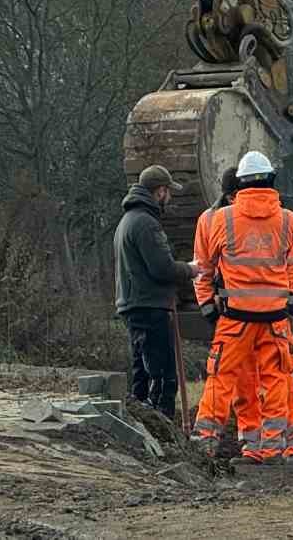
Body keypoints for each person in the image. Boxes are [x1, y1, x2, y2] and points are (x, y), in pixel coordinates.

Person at [193, 149, 293, 464]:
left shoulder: (220, 219)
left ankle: (204, 445)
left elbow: (203, 268)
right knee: (277, 379)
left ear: (238, 185)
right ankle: (274, 449)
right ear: (271, 180)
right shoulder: (287, 219)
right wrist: (292, 303)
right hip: (276, 318)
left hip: (235, 318)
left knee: (221, 379)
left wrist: (207, 308)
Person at [114, 164, 200, 418]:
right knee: (162, 377)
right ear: (160, 191)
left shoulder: (127, 221)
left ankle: (143, 424)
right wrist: (191, 269)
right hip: (149, 307)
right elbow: (162, 268)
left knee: (142, 373)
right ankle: (163, 428)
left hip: (134, 305)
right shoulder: (146, 224)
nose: (170, 197)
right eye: (168, 192)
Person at [190, 168, 238, 453]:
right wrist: (208, 306)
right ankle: (207, 438)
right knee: (222, 374)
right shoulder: (209, 220)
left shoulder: (213, 218)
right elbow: (202, 269)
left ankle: (252, 440)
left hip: (242, 311)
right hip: (228, 312)